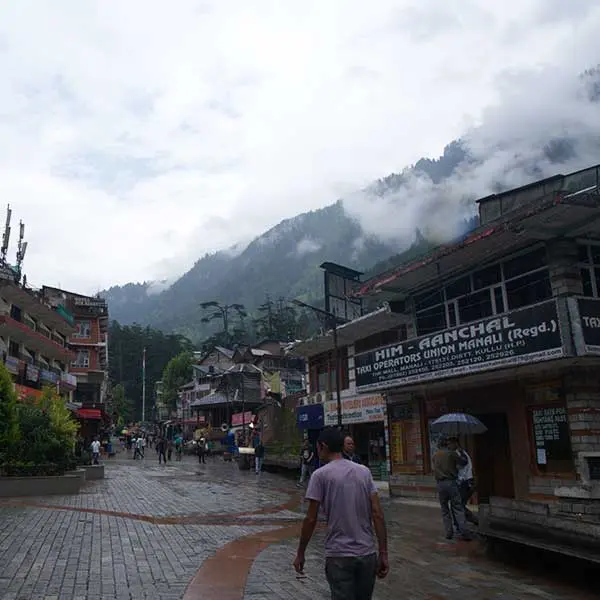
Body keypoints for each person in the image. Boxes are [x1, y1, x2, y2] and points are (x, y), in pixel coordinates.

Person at [293, 427, 389, 600]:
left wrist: (301, 552)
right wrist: (383, 552)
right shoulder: (364, 472)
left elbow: (311, 518)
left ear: (323, 446)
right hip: (367, 554)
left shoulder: (320, 476)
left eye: (318, 447)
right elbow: (378, 513)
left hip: (339, 554)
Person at [432, 436, 471, 541]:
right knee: (457, 507)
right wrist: (462, 452)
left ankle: (449, 532)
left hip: (440, 484)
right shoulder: (451, 453)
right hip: (451, 483)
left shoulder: (435, 455)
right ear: (446, 444)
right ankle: (464, 531)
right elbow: (463, 462)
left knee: (445, 509)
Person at [456, 441, 478, 525]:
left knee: (459, 505)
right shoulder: (461, 453)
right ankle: (470, 520)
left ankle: (473, 520)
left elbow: (462, 464)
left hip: (465, 482)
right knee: (460, 504)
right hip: (466, 482)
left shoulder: (460, 454)